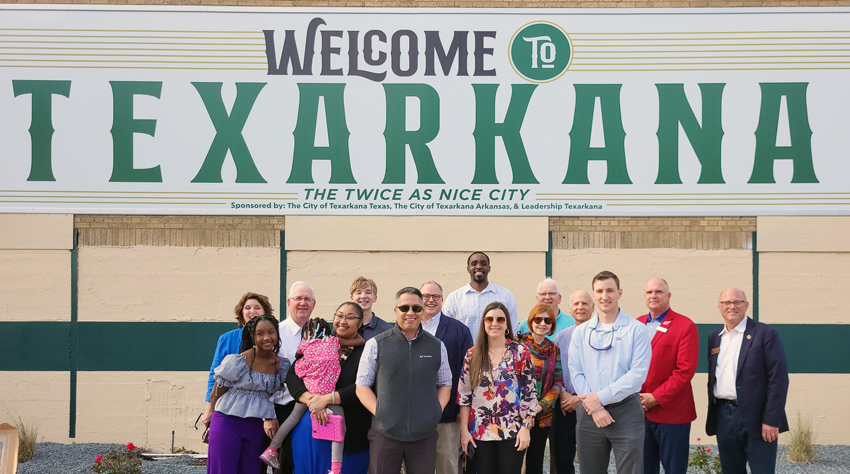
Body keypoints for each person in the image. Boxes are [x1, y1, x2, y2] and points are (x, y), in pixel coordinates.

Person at [356, 287, 453, 474]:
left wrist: (434, 411)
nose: (410, 313)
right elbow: (362, 386)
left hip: (423, 436)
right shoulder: (376, 344)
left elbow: (445, 384)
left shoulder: (437, 346)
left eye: (416, 308)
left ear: (423, 310)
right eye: (404, 308)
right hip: (385, 433)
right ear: (395, 311)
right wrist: (381, 413)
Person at [568, 271, 651, 474]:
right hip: (589, 413)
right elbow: (575, 371)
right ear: (593, 295)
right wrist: (595, 407)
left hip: (626, 411)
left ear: (619, 293)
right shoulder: (581, 332)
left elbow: (637, 374)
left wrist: (600, 398)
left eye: (610, 290)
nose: (605, 296)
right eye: (599, 291)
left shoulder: (636, 330)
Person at [260, 317, 365, 474]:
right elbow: (360, 341)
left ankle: (272, 449)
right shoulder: (332, 342)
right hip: (327, 395)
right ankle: (336, 469)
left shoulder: (305, 345)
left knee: (291, 420)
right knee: (339, 428)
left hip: (308, 393)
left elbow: (297, 358)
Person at [706, 287, 789, 474]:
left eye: (737, 302)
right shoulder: (714, 338)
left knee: (762, 470)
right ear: (719, 306)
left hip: (758, 418)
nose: (732, 306)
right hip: (723, 415)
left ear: (746, 305)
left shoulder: (765, 334)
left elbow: (778, 379)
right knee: (731, 470)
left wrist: (771, 419)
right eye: (727, 302)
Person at [287, 302, 373, 474]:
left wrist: (326, 399)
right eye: (339, 315)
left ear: (360, 322)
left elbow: (365, 387)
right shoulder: (319, 341)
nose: (343, 321)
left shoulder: (368, 351)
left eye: (350, 317)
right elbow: (292, 376)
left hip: (349, 437)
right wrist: (313, 401)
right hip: (309, 435)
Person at [458, 302, 539, 474]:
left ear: (507, 324)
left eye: (500, 319)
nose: (494, 323)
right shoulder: (472, 355)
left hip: (512, 432)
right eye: (490, 319)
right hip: (478, 433)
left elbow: (529, 394)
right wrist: (464, 431)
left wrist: (526, 428)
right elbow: (465, 397)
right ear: (484, 324)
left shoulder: (520, 352)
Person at [207, 315, 292, 474]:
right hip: (227, 422)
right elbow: (217, 392)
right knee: (223, 470)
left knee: (251, 470)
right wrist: (210, 414)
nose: (266, 337)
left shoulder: (282, 365)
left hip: (255, 426)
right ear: (252, 336)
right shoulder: (237, 361)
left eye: (271, 332)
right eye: (260, 333)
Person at [637, 278, 699, 474]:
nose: (653, 296)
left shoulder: (685, 326)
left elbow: (684, 371)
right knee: (644, 468)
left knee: (674, 469)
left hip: (672, 413)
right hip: (639, 411)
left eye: (659, 292)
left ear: (668, 296)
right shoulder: (635, 324)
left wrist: (656, 397)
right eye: (649, 292)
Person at [419, 280, 474, 474]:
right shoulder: (408, 328)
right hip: (414, 413)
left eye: (436, 296)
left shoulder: (459, 330)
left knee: (448, 463)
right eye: (426, 296)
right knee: (418, 464)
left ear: (442, 300)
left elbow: (468, 374)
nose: (431, 300)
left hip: (449, 413)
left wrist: (462, 408)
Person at [264, 282, 316, 474]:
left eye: (307, 299)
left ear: (314, 304)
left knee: (306, 461)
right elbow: (265, 375)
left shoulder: (320, 332)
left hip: (312, 407)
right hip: (283, 409)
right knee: (284, 464)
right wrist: (268, 415)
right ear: (289, 302)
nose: (303, 303)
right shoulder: (275, 332)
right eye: (298, 298)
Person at [202, 292, 274, 427]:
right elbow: (214, 374)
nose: (252, 311)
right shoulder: (227, 339)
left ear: (265, 312)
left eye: (257, 307)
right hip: (229, 408)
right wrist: (209, 408)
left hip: (259, 410)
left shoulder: (272, 338)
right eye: (247, 308)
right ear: (241, 313)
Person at [517, 303, 563, 474]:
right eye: (538, 319)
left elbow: (558, 382)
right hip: (516, 413)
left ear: (552, 325)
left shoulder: (554, 350)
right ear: (531, 321)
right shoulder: (518, 344)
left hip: (542, 414)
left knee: (535, 462)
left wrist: (541, 405)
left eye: (548, 320)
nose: (542, 323)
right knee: (513, 460)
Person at [552, 290, 594, 474]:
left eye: (585, 303)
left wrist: (580, 399)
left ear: (593, 307)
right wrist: (563, 395)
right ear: (569, 308)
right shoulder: (562, 336)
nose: (580, 307)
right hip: (565, 406)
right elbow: (556, 370)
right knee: (562, 458)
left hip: (592, 406)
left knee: (593, 460)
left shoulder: (601, 334)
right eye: (576, 304)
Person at [443, 251, 520, 334]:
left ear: (489, 268)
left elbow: (513, 332)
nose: (479, 267)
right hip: (465, 347)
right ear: (468, 269)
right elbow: (446, 332)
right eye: (474, 263)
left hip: (499, 347)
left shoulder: (506, 295)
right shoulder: (454, 298)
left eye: (483, 264)